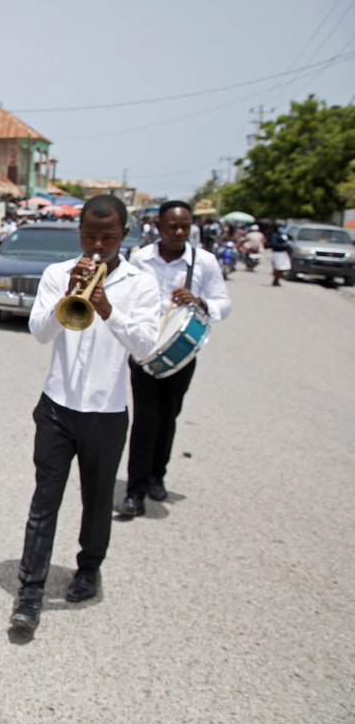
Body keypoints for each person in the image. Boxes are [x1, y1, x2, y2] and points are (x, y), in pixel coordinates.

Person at [10, 194, 160, 632]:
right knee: (44, 501)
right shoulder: (58, 274)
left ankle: (88, 569)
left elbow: (145, 347)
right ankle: (30, 591)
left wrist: (108, 309)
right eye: (90, 236)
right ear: (79, 233)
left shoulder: (141, 284)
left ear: (124, 234)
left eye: (108, 237)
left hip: (107, 412)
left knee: (96, 501)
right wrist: (69, 294)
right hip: (56, 407)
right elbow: (39, 332)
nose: (97, 245)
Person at [118, 201, 231, 516]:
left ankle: (157, 475)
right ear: (158, 226)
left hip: (180, 354)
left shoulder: (204, 261)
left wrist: (201, 302)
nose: (179, 232)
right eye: (173, 227)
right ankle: (135, 491)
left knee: (168, 417)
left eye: (185, 226)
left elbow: (224, 303)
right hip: (144, 351)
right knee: (144, 420)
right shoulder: (140, 259)